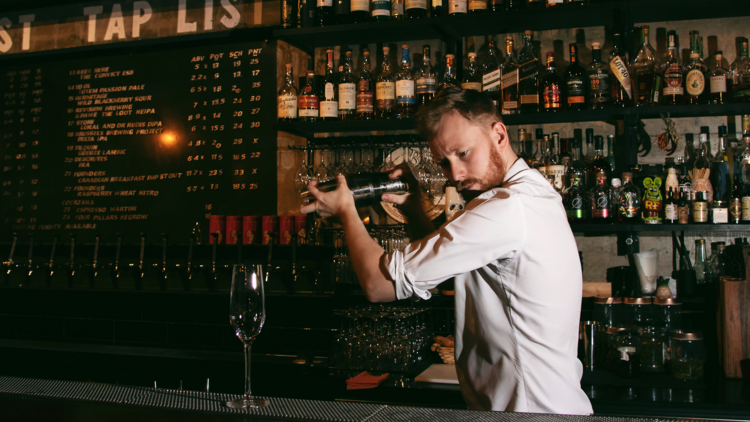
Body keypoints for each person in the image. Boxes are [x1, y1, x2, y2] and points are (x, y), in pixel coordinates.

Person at [301, 87, 592, 415]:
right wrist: (414, 210)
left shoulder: (506, 209)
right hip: (543, 407)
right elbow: (442, 269)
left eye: (463, 153)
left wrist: (346, 211)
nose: (455, 175)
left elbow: (378, 285)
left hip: (528, 412)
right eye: (444, 161)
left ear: (498, 134)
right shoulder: (531, 196)